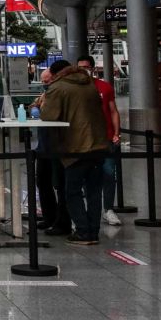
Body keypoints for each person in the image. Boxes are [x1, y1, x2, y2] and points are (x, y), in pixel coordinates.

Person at [40, 59, 111, 245]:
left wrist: (40, 105)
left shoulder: (59, 87)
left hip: (75, 146)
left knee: (72, 191)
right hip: (98, 145)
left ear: (55, 74)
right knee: (94, 191)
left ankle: (82, 231)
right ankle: (93, 231)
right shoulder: (89, 84)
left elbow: (48, 116)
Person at [78, 54, 123, 226]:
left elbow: (113, 111)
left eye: (86, 67)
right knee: (84, 175)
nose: (83, 71)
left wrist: (116, 133)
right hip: (84, 140)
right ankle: (89, 209)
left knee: (109, 173)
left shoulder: (104, 87)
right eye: (80, 68)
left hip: (106, 139)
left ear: (92, 68)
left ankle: (109, 209)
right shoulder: (74, 89)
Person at [32, 67, 68, 234]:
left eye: (47, 81)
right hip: (43, 146)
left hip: (57, 146)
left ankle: (61, 221)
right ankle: (49, 217)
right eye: (42, 81)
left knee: (59, 185)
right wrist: (34, 108)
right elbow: (34, 104)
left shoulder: (59, 93)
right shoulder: (45, 94)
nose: (44, 84)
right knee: (42, 182)